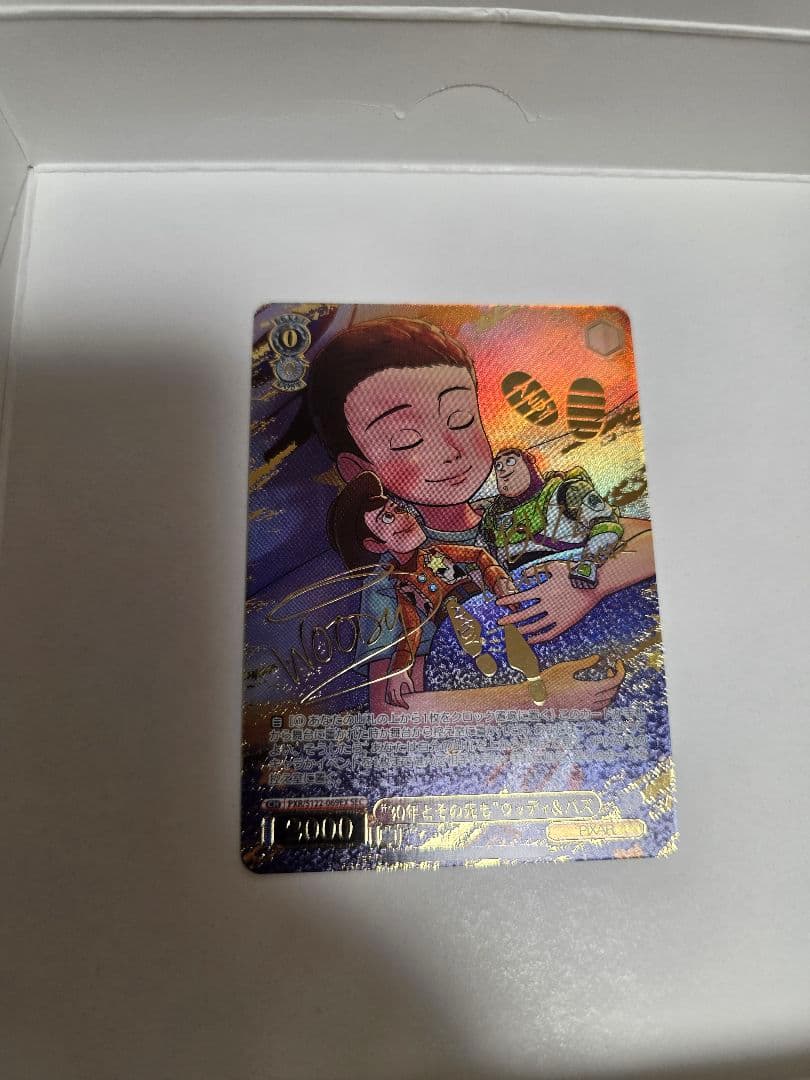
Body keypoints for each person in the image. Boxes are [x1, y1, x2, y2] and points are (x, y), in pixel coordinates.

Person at [276, 316, 644, 712]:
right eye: (407, 440)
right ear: (358, 470)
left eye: (460, 419)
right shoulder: (393, 581)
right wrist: (541, 698)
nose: (450, 449)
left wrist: (588, 587)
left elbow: (651, 542)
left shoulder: (522, 509)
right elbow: (391, 717)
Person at [327, 472, 516, 707]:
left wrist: (498, 579)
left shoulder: (436, 553)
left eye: (399, 509)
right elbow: (412, 629)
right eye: (387, 517)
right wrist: (400, 669)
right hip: (456, 633)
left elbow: (478, 556)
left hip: (484, 611)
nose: (403, 518)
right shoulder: (402, 587)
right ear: (375, 545)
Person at [480, 447, 623, 588]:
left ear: (528, 461)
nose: (503, 469)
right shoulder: (492, 519)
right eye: (498, 466)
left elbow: (606, 524)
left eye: (510, 461)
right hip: (516, 586)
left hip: (572, 575)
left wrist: (588, 563)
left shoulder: (566, 491)